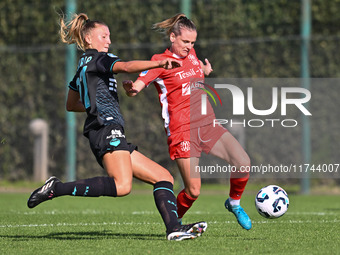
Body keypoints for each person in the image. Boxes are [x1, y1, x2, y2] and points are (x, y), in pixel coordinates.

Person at [27, 13, 207, 241]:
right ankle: (56, 188)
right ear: (89, 40)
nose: (108, 40)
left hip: (105, 128)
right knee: (122, 186)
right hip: (105, 129)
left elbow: (71, 104)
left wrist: (96, 105)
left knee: (164, 177)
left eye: (109, 36)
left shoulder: (82, 67)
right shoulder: (98, 59)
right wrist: (159, 62)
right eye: (104, 36)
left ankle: (174, 229)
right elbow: (127, 66)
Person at [123, 13, 252, 230]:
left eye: (192, 42)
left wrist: (204, 71)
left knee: (243, 162)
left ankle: (234, 203)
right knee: (193, 190)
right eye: (185, 41)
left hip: (208, 124)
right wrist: (132, 89)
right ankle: (174, 223)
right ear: (172, 37)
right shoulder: (159, 61)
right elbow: (139, 84)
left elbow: (192, 70)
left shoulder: (191, 53)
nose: (189, 46)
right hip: (182, 130)